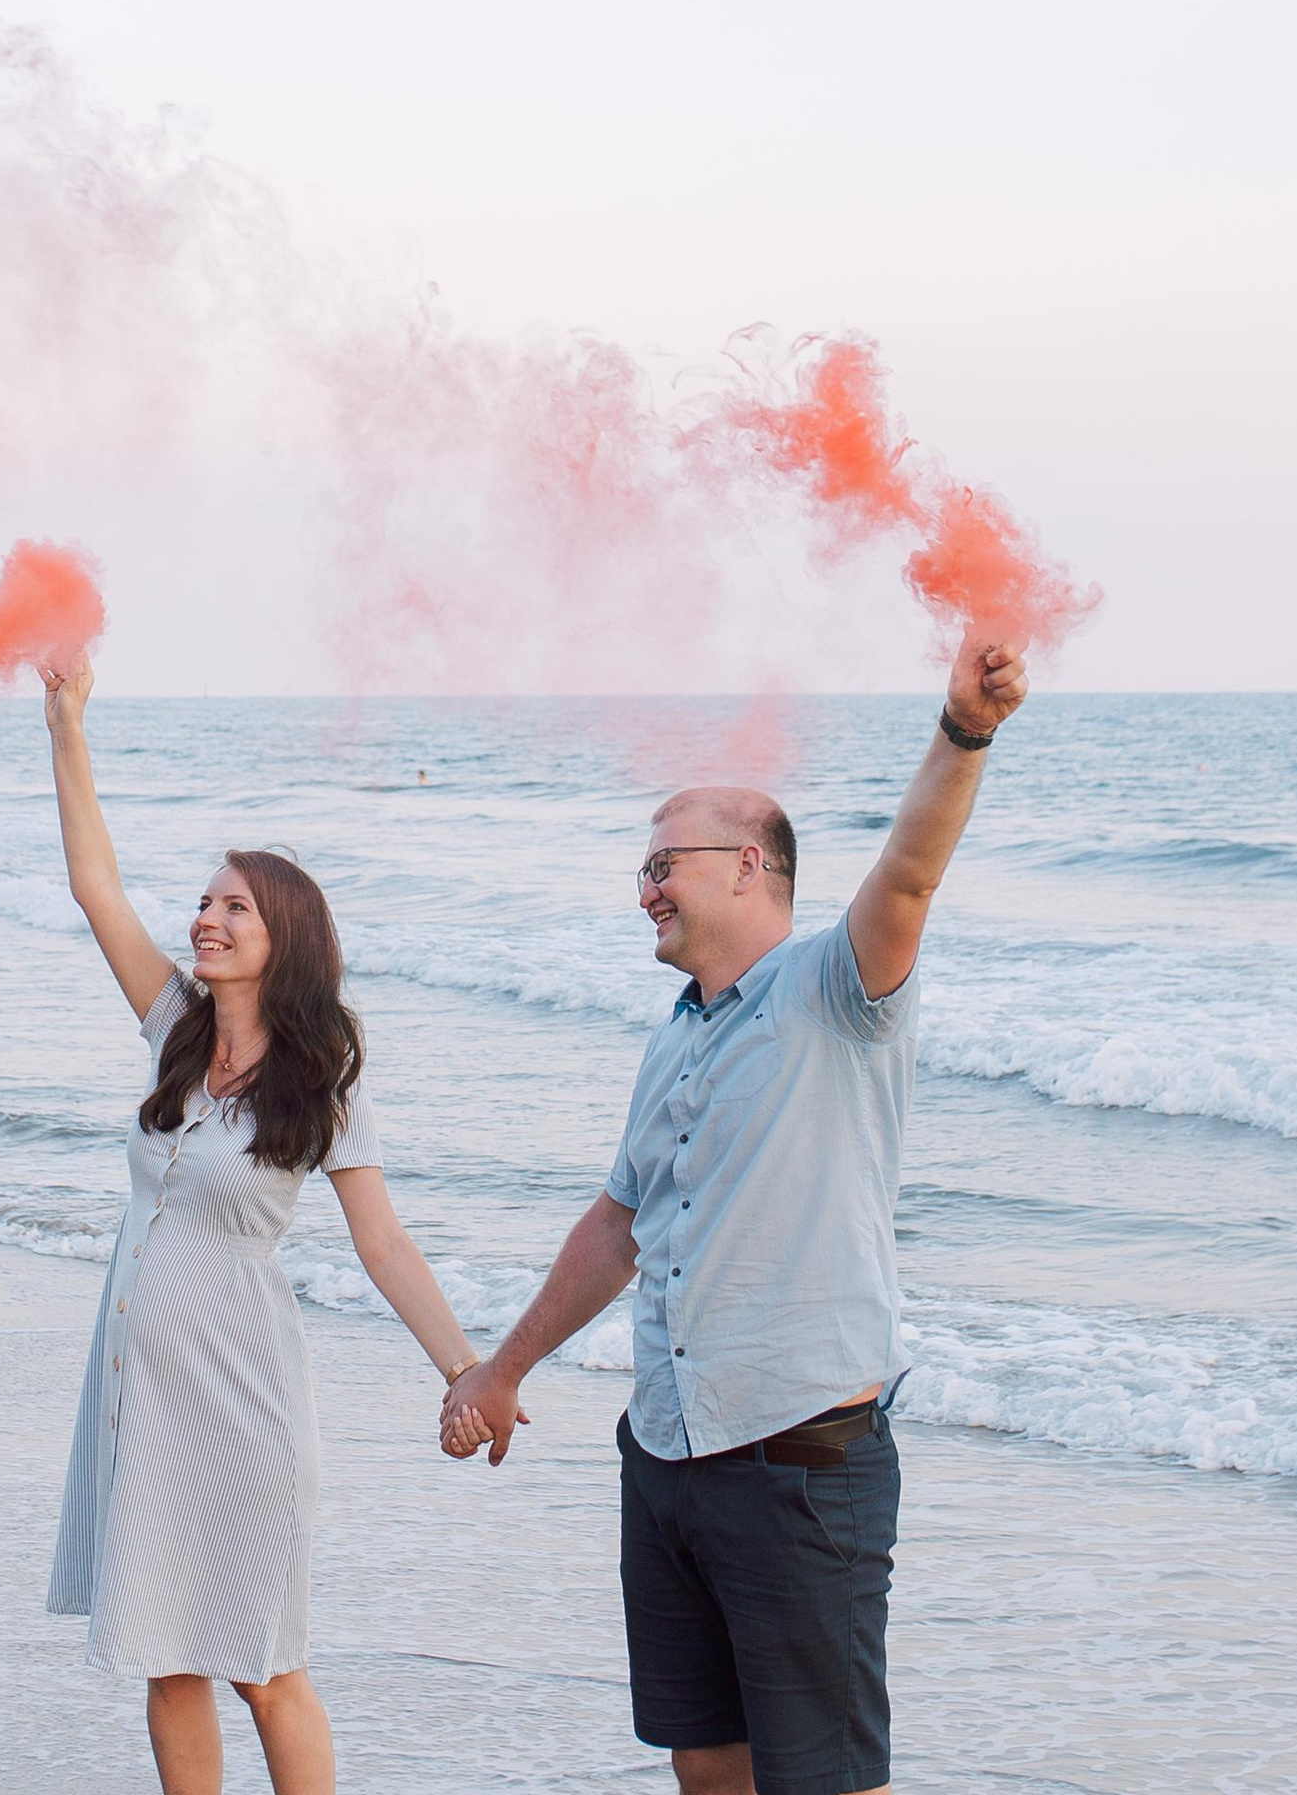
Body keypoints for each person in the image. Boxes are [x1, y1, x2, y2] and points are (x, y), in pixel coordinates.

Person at [440, 633, 1031, 1795]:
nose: (645, 885)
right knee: (704, 1757)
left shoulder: (836, 990)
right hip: (666, 1452)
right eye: (642, 866)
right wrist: (503, 1367)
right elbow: (617, 1225)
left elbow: (909, 872)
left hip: (799, 1461)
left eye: (666, 861)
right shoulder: (675, 1032)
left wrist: (963, 731)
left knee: (820, 1780)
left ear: (750, 864)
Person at [40, 661, 488, 1795]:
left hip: (243, 1403)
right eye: (203, 900)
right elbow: (97, 886)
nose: (204, 917)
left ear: (282, 933)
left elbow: (382, 1244)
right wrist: (66, 724)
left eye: (233, 905)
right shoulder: (174, 1030)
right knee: (164, 1655)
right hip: (143, 1391)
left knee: (262, 1664)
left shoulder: (322, 1078)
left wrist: (467, 1370)